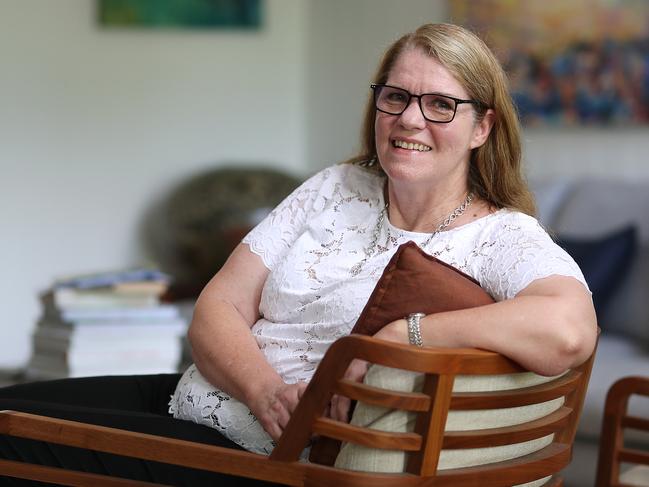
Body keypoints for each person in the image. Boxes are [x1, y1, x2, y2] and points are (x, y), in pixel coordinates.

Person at [0, 22, 597, 485]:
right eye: (396, 97)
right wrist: (262, 389)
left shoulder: (500, 237)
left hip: (255, 457)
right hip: (199, 397)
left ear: (482, 128)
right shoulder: (337, 186)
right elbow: (219, 303)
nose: (410, 119)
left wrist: (399, 336)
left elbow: (568, 330)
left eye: (441, 104)